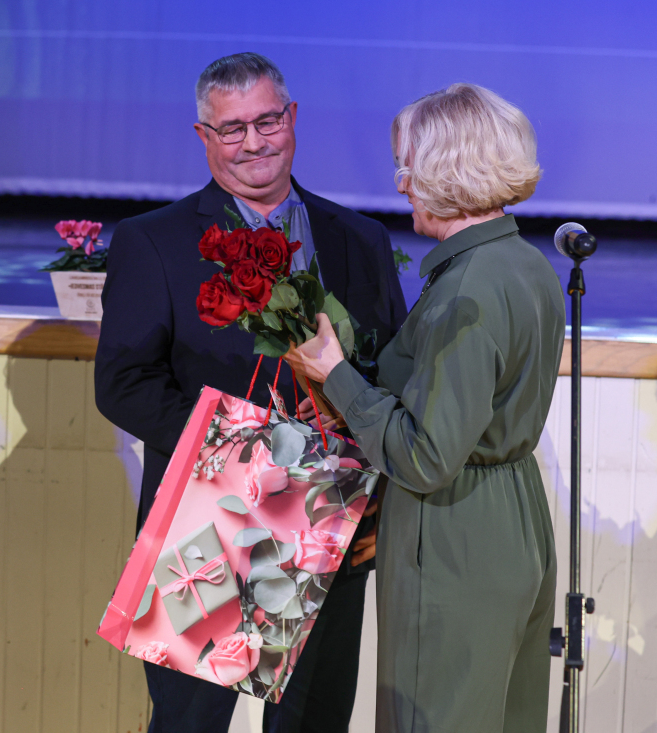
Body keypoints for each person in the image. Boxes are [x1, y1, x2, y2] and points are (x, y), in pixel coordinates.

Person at [95, 52, 407, 733]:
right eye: (232, 129)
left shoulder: (361, 240)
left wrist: (377, 497)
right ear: (203, 136)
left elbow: (392, 376)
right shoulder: (154, 242)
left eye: (267, 121)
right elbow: (123, 384)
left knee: (314, 722)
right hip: (206, 525)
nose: (254, 142)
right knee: (190, 725)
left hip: (329, 520)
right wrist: (242, 452)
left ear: (292, 118)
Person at [284, 83, 562, 732]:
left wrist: (334, 374)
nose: (403, 185)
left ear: (447, 172)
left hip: (453, 535)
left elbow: (426, 454)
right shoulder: (526, 265)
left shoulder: (469, 287)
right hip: (514, 522)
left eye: (407, 167)